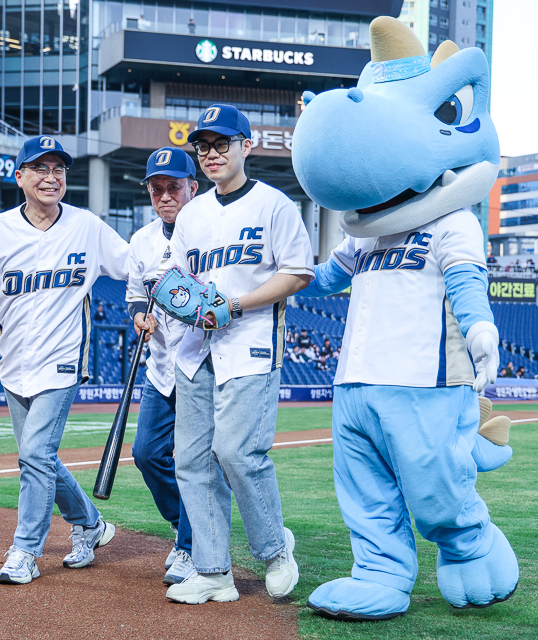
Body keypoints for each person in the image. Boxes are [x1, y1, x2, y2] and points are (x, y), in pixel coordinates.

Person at [0, 135, 131, 585]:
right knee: (39, 458)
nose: (51, 177)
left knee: (35, 453)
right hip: (13, 364)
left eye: (58, 169)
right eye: (40, 168)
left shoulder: (86, 226)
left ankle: (25, 551)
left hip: (63, 360)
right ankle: (91, 524)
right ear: (20, 177)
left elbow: (133, 265)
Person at [164, 105, 313, 604]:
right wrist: (178, 301)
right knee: (191, 462)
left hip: (250, 344)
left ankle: (275, 550)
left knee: (236, 453)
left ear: (246, 146)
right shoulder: (191, 214)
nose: (211, 153)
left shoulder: (274, 205)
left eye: (222, 143)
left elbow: (298, 273)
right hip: (194, 351)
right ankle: (213, 572)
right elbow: (179, 280)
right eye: (203, 146)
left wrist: (235, 304)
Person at [127, 147, 200, 586]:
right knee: (146, 454)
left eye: (174, 186)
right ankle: (186, 525)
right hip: (160, 367)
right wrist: (140, 314)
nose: (165, 196)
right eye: (157, 189)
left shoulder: (210, 230)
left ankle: (191, 546)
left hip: (199, 364)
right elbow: (136, 294)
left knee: (192, 460)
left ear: (193, 187)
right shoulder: (141, 240)